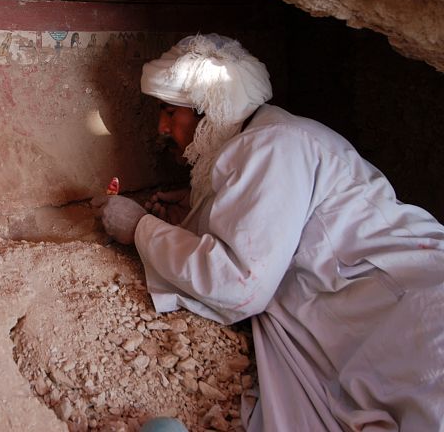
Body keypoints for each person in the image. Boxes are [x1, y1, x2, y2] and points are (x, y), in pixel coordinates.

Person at [96, 33, 444, 430]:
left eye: (169, 111)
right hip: (372, 320)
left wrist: (139, 227)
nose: (161, 127)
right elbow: (259, 235)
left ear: (209, 111)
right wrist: (198, 214)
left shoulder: (272, 145)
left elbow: (239, 284)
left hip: (411, 307)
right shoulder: (263, 140)